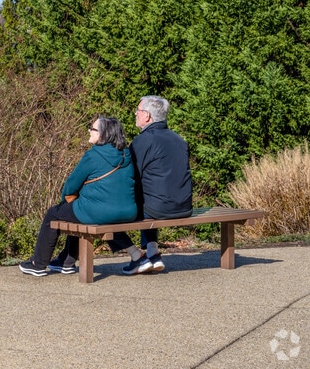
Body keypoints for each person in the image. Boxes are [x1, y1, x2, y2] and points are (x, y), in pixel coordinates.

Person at [19, 116, 137, 277]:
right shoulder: (127, 155)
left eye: (93, 129)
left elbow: (71, 185)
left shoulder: (93, 155)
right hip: (129, 212)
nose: (89, 130)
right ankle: (66, 262)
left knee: (54, 213)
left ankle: (38, 264)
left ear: (103, 134)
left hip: (99, 212)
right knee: (77, 212)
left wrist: (65, 200)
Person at [110, 95, 193, 275]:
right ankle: (153, 252)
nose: (135, 113)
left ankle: (136, 257)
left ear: (147, 116)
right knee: (150, 196)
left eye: (138, 111)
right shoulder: (179, 139)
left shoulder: (143, 141)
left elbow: (130, 176)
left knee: (108, 213)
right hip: (184, 206)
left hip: (159, 208)